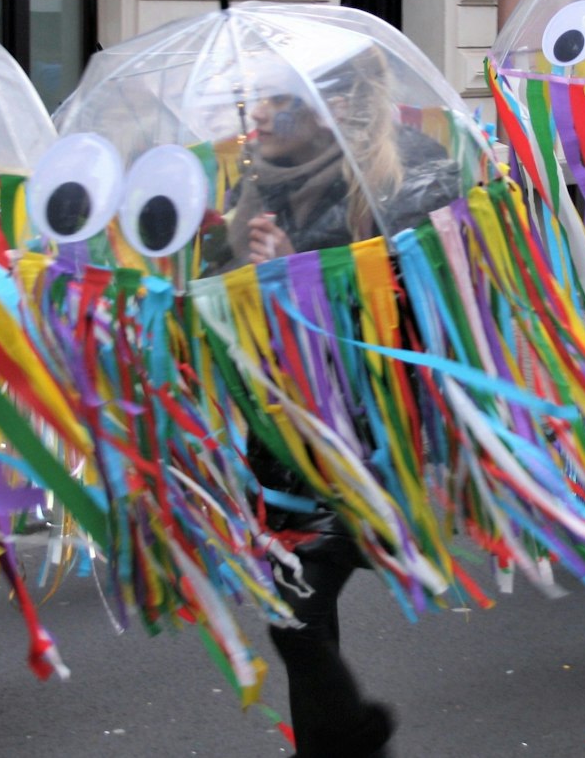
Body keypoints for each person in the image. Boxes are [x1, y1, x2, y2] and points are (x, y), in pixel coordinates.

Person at [229, 48, 462, 758]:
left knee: (295, 606)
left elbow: (423, 308)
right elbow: (226, 293)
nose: (258, 113)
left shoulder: (411, 175)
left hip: (372, 430)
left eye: (275, 98)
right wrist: (245, 267)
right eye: (255, 98)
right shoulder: (260, 179)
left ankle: (352, 741)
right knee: (298, 608)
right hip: (283, 427)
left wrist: (297, 269)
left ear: (327, 104)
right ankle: (332, 744)